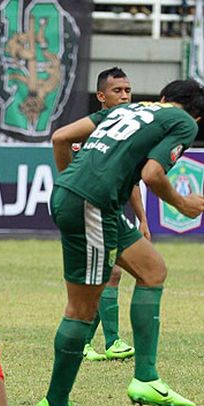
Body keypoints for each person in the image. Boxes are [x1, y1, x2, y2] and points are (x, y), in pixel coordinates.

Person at [35, 79, 204, 406]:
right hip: (92, 205)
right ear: (198, 117)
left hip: (93, 202)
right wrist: (183, 203)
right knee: (81, 310)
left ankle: (146, 377)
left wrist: (72, 182)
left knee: (152, 270)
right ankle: (55, 404)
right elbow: (152, 173)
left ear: (162, 99)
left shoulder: (129, 107)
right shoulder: (184, 123)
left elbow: (61, 137)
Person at [82, 67, 147, 362]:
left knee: (109, 274)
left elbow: (132, 181)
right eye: (117, 91)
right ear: (101, 96)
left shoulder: (130, 131)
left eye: (128, 91)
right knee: (111, 273)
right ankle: (112, 342)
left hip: (111, 211)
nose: (124, 96)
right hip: (88, 208)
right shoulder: (89, 129)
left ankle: (84, 342)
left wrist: (143, 219)